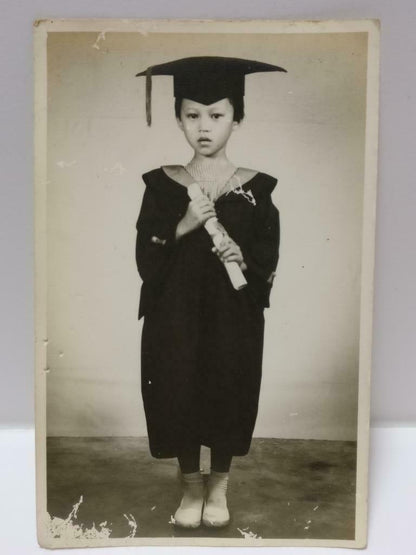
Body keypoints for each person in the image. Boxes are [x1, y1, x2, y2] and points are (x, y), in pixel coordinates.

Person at [134, 56, 286, 529]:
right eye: (192, 115)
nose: (204, 127)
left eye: (216, 115)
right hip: (174, 313)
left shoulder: (256, 189)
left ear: (237, 118)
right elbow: (145, 257)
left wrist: (247, 261)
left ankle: (219, 483)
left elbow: (268, 254)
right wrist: (184, 224)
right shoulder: (162, 186)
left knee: (228, 386)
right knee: (177, 387)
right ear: (179, 118)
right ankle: (190, 483)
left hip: (232, 314)